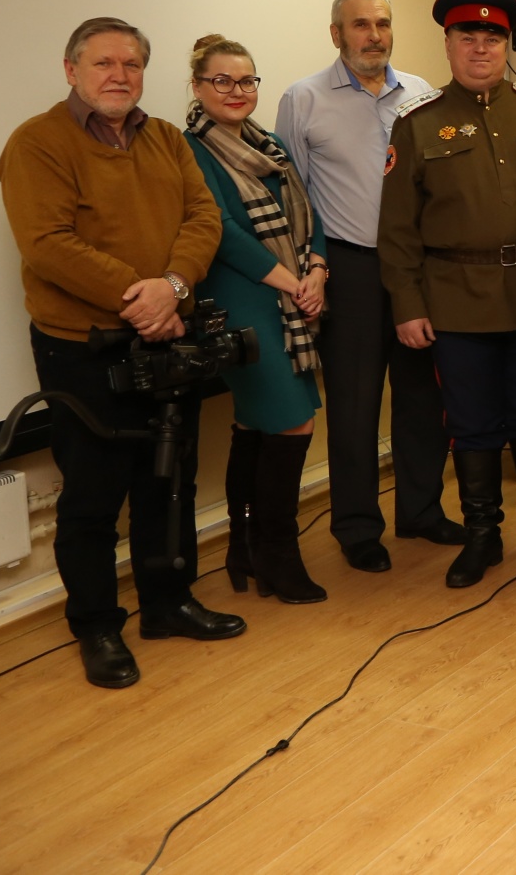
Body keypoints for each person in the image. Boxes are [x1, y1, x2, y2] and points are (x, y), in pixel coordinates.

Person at [0, 17, 239, 689]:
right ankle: (98, 626)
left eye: (131, 64)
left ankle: (168, 603)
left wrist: (173, 287)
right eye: (103, 62)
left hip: (170, 335)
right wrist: (143, 298)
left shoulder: (164, 137)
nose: (119, 75)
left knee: (168, 480)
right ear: (71, 69)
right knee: (93, 494)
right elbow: (47, 242)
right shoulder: (37, 143)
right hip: (85, 347)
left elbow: (204, 218)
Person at [378, 0, 516, 588]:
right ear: (448, 44)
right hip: (454, 299)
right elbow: (396, 228)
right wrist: (407, 304)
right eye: (467, 37)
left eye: (492, 37)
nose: (480, 48)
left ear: (507, 45)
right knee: (472, 423)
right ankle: (482, 534)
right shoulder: (416, 123)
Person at [275, 0, 462, 575]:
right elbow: (294, 198)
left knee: (423, 399)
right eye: (360, 25)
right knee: (354, 405)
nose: (374, 35)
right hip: (349, 268)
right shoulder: (303, 99)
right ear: (337, 34)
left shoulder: (422, 94)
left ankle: (422, 511)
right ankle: (357, 527)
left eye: (382, 23)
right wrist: (313, 269)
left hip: (417, 268)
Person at [184, 35, 330, 605]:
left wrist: (317, 269)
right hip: (238, 303)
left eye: (246, 80)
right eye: (221, 81)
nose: (236, 91)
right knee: (293, 421)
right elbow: (220, 230)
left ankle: (244, 547)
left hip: (290, 294)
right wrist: (293, 282)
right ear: (197, 87)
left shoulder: (268, 143)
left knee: (253, 424)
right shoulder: (190, 150)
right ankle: (278, 553)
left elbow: (308, 212)